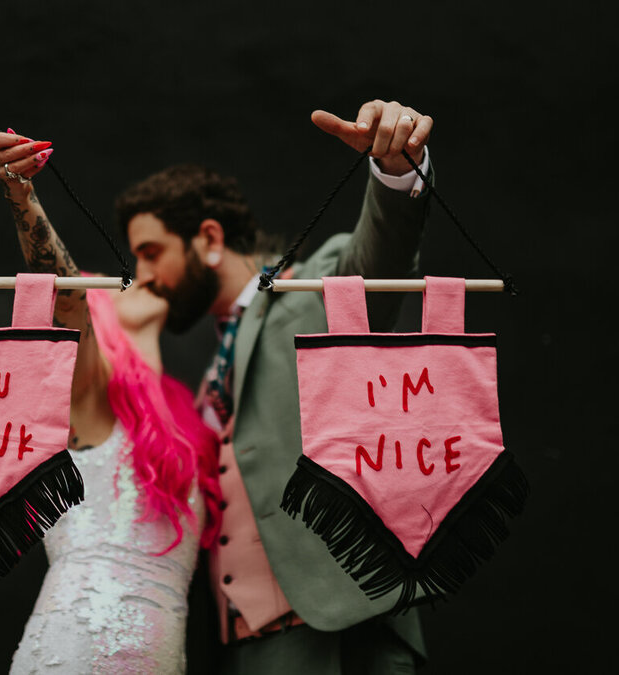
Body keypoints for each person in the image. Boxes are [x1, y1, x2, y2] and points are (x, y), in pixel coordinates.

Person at [112, 99, 435, 674]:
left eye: (152, 253)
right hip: (247, 647)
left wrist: (395, 170)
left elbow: (377, 260)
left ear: (209, 238)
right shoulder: (215, 368)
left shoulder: (312, 290)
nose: (143, 277)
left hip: (340, 631)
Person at [0, 130, 222, 674]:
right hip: (78, 645)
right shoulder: (88, 393)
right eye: (117, 282)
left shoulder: (183, 415)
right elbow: (66, 299)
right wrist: (23, 196)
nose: (138, 279)